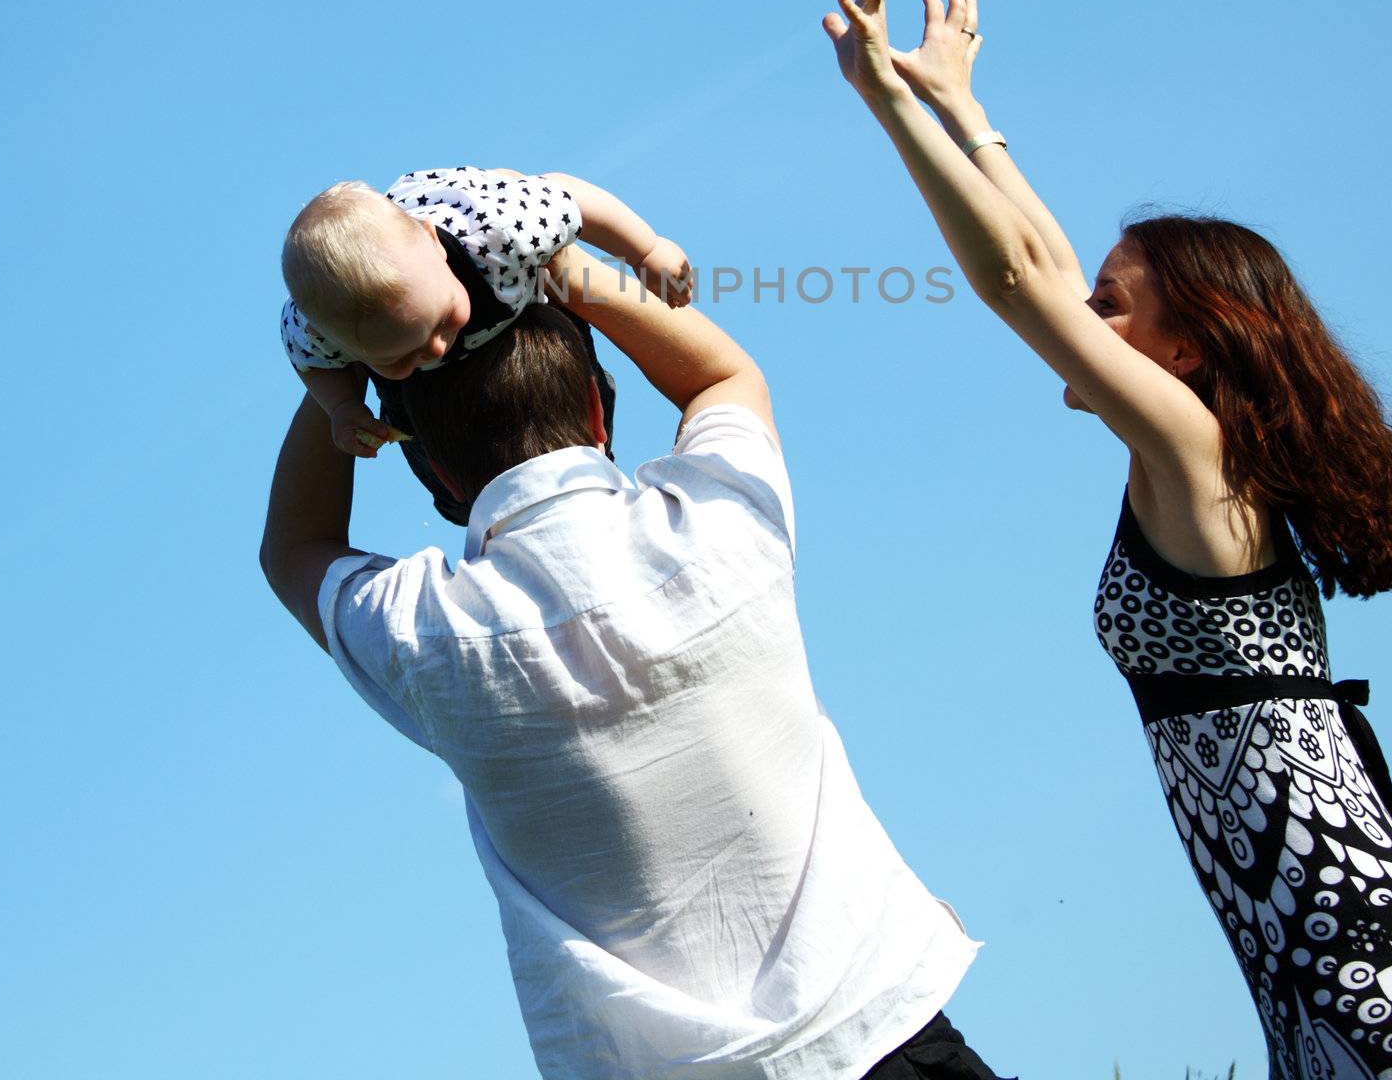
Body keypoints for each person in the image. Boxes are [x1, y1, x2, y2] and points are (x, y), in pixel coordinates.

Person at [821, 0, 1392, 1079]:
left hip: (1374, 965)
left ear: (1186, 349)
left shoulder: (1198, 457)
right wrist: (961, 107)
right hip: (1324, 964)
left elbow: (1014, 280)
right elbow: (1039, 261)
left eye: (1115, 307)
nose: (1087, 321)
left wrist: (889, 101)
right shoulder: (1190, 459)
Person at [259, 240, 1002, 1080]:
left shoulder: (424, 636)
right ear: (597, 408)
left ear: (433, 471)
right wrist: (564, 266)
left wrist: (342, 370)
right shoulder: (720, 525)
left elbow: (298, 547)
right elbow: (723, 379)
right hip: (887, 1034)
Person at [279, 163, 692, 522]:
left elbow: (569, 195)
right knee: (452, 482)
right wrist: (342, 406)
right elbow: (312, 363)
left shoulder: (500, 235)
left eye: (442, 320)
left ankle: (586, 461)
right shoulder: (315, 329)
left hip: (479, 224)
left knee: (573, 389)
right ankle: (468, 506)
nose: (437, 349)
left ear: (433, 244)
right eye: (401, 354)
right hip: (418, 326)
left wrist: (646, 250)